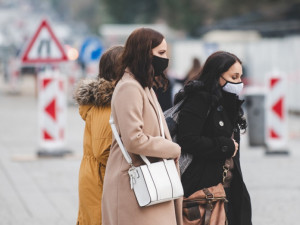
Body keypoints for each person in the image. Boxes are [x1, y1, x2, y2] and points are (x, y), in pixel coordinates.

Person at [102, 28, 182, 225]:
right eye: (161, 53)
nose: (165, 58)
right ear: (144, 53)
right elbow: (134, 139)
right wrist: (172, 148)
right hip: (135, 186)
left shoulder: (142, 84)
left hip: (151, 183)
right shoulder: (130, 87)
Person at [175, 51, 252, 225]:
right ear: (218, 75)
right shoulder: (199, 99)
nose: (238, 82)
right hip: (203, 190)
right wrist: (225, 146)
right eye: (234, 76)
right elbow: (187, 139)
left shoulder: (229, 101)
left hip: (229, 188)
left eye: (240, 77)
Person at [74, 46, 124, 225]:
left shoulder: (109, 101)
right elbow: (103, 151)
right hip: (100, 179)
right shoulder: (106, 104)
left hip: (96, 177)